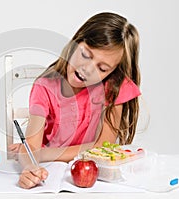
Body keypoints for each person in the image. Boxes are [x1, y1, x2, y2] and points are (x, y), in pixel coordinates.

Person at [8, 11, 141, 189]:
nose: (88, 69)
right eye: (85, 55)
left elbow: (101, 147)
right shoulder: (45, 87)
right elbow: (31, 147)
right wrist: (30, 166)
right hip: (52, 174)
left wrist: (43, 153)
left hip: (97, 181)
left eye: (102, 68)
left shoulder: (114, 88)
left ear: (112, 72)